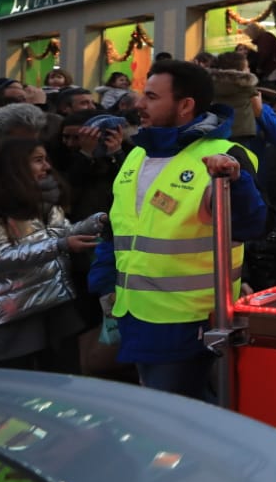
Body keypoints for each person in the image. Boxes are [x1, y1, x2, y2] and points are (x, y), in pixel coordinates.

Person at [88, 60, 266, 400]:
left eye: (152, 97)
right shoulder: (137, 154)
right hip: (134, 315)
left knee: (183, 425)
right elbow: (120, 227)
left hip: (191, 323)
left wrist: (235, 182)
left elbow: (251, 226)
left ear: (185, 106)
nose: (139, 104)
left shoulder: (226, 155)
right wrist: (103, 281)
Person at [0, 138, 107, 371]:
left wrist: (96, 222)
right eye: (38, 160)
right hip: (10, 316)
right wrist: (61, 245)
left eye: (46, 160)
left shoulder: (40, 201)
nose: (47, 167)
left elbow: (59, 234)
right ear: (15, 167)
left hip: (51, 307)